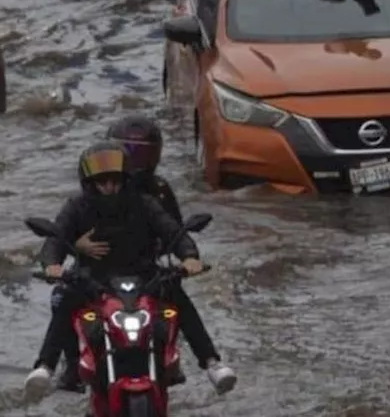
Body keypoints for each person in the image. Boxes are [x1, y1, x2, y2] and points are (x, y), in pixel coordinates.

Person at [24, 141, 237, 403]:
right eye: (102, 182)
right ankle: (46, 366)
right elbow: (54, 241)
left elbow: (173, 231)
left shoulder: (145, 203)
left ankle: (212, 363)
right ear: (90, 184)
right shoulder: (76, 206)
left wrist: (190, 257)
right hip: (94, 282)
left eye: (115, 181)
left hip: (145, 279)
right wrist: (52, 266)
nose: (109, 188)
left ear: (125, 180)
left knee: (177, 295)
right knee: (65, 299)